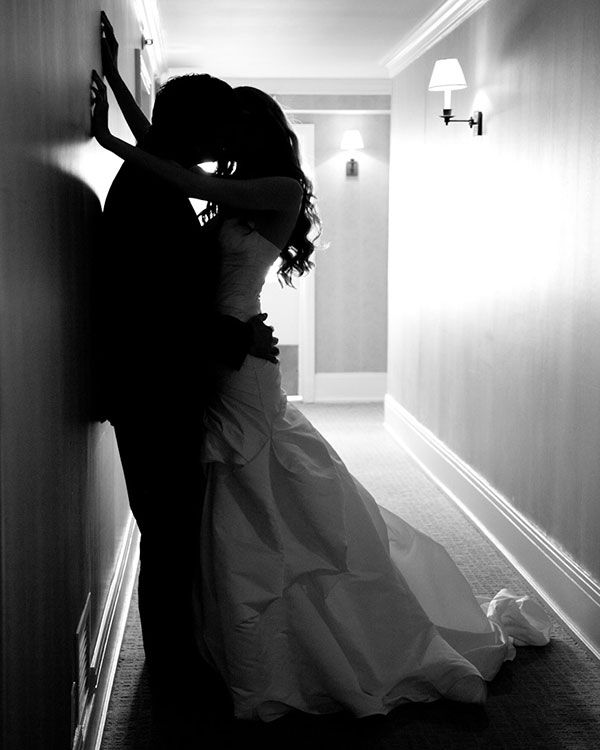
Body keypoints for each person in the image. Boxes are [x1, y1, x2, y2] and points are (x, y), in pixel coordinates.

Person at [91, 34, 550, 725]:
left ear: (261, 131)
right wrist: (124, 95)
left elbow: (185, 175)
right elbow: (174, 154)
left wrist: (107, 137)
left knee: (268, 486)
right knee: (234, 499)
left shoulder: (281, 187)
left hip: (239, 365)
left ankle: (360, 640)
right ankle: (237, 640)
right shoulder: (228, 185)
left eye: (237, 128)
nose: (225, 139)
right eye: (220, 130)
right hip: (214, 356)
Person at [92, 13, 279, 739]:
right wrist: (239, 334)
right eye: (217, 135)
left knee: (172, 530)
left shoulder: (154, 180)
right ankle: (174, 672)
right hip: (153, 391)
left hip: (158, 386)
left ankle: (177, 657)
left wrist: (114, 79)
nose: (225, 148)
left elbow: (154, 146)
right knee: (169, 535)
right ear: (195, 135)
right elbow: (162, 308)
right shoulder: (150, 198)